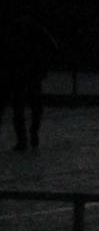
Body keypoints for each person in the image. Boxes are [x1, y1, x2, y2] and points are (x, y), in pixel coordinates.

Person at [1, 10, 58, 154]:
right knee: (20, 107)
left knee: (31, 106)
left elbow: (51, 47)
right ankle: (23, 139)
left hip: (31, 73)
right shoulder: (16, 31)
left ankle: (30, 135)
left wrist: (39, 65)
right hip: (21, 73)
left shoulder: (35, 31)